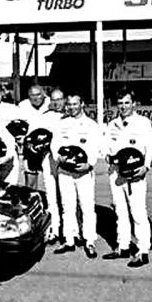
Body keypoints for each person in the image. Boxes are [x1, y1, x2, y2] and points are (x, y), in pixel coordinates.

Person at [102, 91, 152, 267]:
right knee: (121, 212)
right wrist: (107, 156)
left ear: (134, 104)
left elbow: (151, 147)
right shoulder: (112, 124)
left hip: (135, 173)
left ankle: (143, 250)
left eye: (127, 103)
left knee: (138, 213)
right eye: (120, 103)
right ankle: (123, 246)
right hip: (116, 172)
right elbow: (105, 146)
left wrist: (146, 167)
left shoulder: (143, 123)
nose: (123, 106)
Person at [51, 94, 101, 259]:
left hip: (83, 172)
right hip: (65, 171)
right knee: (67, 206)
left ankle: (89, 241)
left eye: (75, 104)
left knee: (87, 208)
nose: (72, 107)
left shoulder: (91, 125)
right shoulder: (62, 124)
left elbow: (96, 146)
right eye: (69, 104)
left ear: (82, 104)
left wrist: (90, 164)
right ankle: (69, 239)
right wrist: (59, 157)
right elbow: (55, 143)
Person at [27, 88, 66, 243]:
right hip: (48, 159)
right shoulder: (43, 117)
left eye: (59, 99)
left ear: (64, 100)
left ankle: (72, 230)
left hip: (65, 161)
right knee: (52, 197)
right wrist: (34, 147)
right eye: (54, 100)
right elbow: (30, 139)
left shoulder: (69, 118)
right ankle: (55, 229)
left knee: (68, 196)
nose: (57, 103)